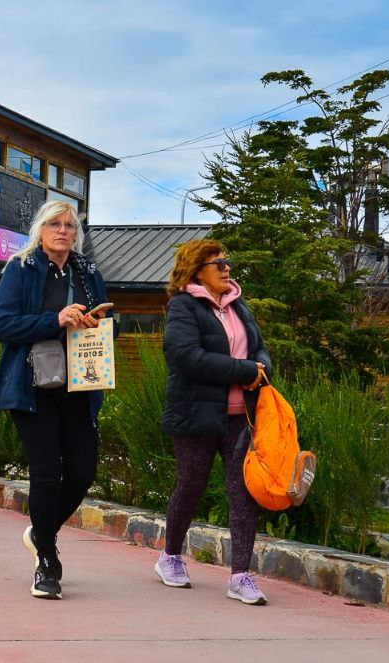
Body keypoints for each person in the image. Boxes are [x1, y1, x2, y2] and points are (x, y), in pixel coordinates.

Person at [0, 200, 112, 599]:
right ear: (40, 230)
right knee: (45, 473)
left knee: (83, 472)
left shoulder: (88, 271)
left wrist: (95, 323)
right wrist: (54, 319)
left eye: (69, 225)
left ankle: (42, 531)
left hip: (80, 385)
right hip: (32, 387)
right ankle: (46, 561)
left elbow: (110, 326)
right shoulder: (20, 268)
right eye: (54, 224)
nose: (62, 231)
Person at [156, 239, 272, 605]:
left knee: (243, 492)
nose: (226, 268)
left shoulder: (239, 304)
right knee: (191, 484)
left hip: (242, 415)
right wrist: (244, 370)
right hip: (196, 412)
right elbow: (187, 356)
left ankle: (241, 576)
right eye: (218, 263)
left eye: (227, 262)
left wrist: (263, 369)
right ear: (196, 271)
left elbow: (260, 347)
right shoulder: (183, 307)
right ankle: (170, 556)